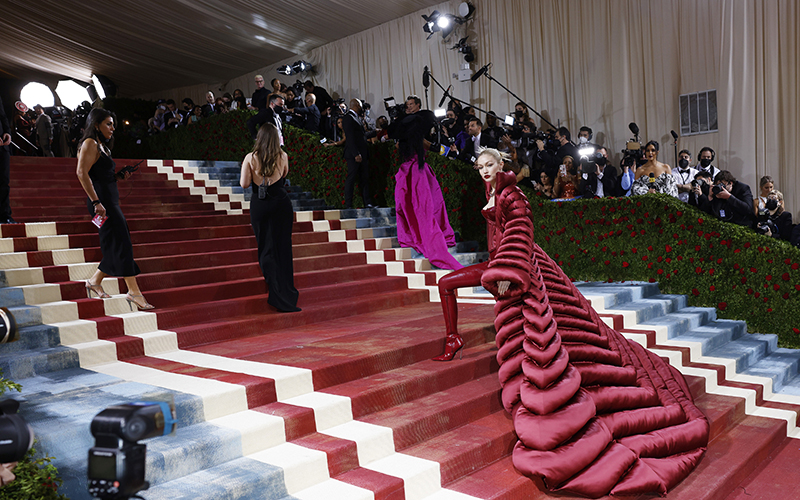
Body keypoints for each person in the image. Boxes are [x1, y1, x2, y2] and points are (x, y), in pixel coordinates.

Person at [433, 148, 709, 496]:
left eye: (490, 165)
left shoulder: (512, 193)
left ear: (501, 165)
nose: (484, 171)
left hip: (514, 264)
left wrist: (509, 266)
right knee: (448, 284)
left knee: (552, 333)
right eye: (480, 167)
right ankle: (452, 338)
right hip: (502, 262)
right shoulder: (492, 192)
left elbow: (521, 227)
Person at [76, 108, 153, 310]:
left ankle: (94, 281)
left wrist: (119, 176)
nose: (112, 128)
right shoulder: (90, 143)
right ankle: (134, 291)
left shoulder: (103, 147)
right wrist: (95, 202)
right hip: (102, 203)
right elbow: (81, 173)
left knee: (116, 244)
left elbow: (101, 175)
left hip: (109, 200)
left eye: (113, 125)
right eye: (108, 124)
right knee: (122, 243)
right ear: (96, 125)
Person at [388, 95, 462, 271]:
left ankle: (413, 235)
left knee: (407, 207)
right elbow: (432, 147)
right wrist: (448, 152)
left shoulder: (401, 142)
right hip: (418, 174)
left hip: (406, 173)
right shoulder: (419, 140)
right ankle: (428, 236)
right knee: (427, 206)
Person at [239, 124, 300, 312]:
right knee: (283, 247)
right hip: (281, 202)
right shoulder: (283, 156)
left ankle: (274, 290)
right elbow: (284, 175)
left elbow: (244, 184)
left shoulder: (251, 157)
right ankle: (287, 293)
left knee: (266, 247)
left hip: (260, 202)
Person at [340, 99, 371, 209]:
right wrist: (356, 154)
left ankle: (367, 202)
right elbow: (350, 138)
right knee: (351, 178)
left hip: (362, 153)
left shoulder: (357, 117)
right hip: (354, 154)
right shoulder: (348, 118)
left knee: (365, 178)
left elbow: (361, 135)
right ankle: (349, 204)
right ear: (357, 105)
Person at [0, 95, 14, 224]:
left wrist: (7, 132)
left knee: (4, 181)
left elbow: (3, 116)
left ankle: (5, 216)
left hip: (2, 147)